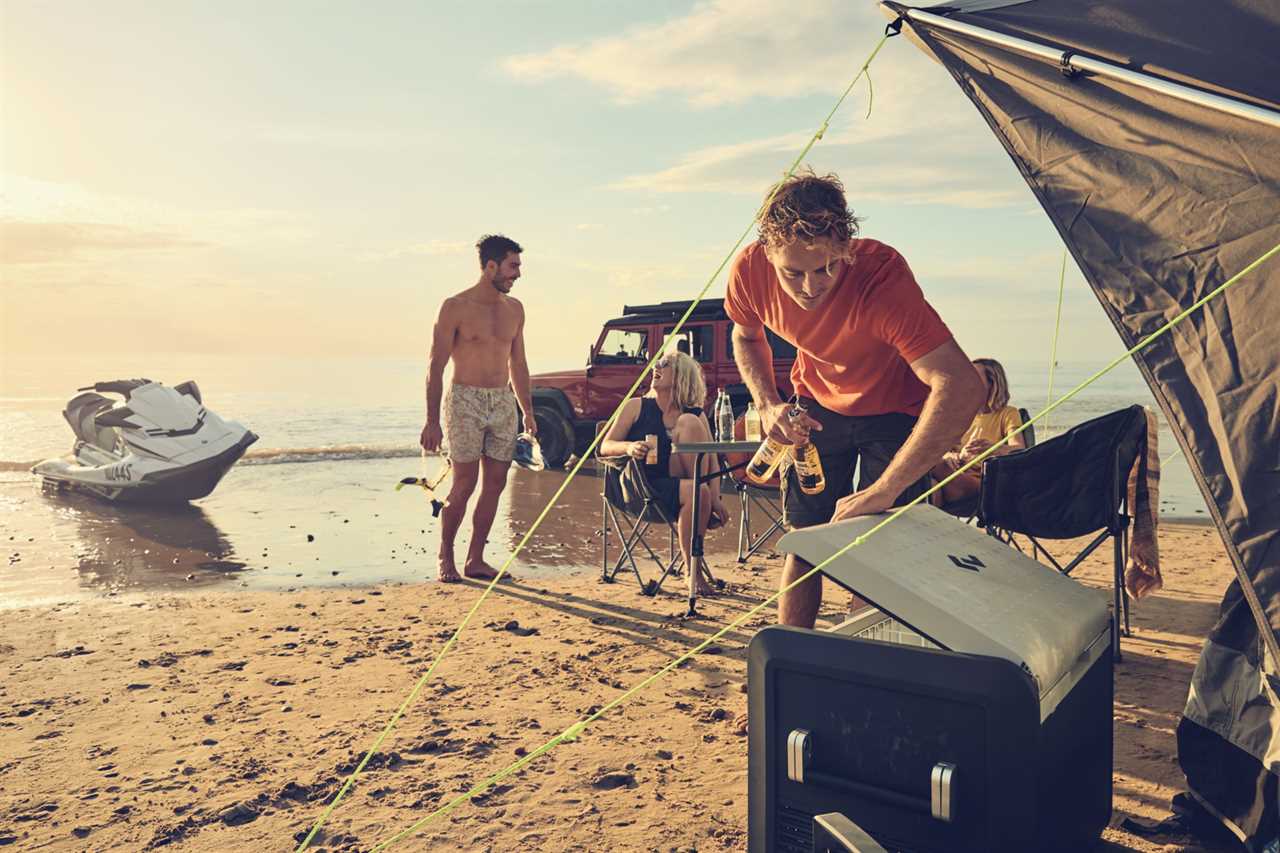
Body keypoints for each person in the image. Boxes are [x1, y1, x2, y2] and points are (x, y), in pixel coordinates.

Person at [726, 170, 985, 631]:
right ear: (767, 253)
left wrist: (882, 491)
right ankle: (793, 655)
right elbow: (745, 337)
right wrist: (766, 403)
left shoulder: (882, 281)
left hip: (895, 410)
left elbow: (962, 385)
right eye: (794, 273)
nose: (810, 287)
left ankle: (863, 665)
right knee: (806, 541)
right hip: (817, 406)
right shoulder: (749, 271)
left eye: (826, 267)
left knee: (879, 545)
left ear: (845, 246)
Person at [420, 234, 536, 583]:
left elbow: (519, 364)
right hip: (464, 400)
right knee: (464, 483)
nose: (518, 273)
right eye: (512, 265)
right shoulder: (454, 306)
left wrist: (527, 411)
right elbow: (435, 366)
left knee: (496, 483)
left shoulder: (515, 310)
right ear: (490, 266)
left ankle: (476, 559)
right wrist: (431, 422)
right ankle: (446, 555)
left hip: (502, 401)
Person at [600, 350, 730, 595]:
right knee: (698, 490)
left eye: (664, 364)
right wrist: (629, 447)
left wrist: (715, 498)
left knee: (690, 425)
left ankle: (694, 565)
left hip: (682, 488)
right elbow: (605, 447)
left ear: (681, 375)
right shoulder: (636, 406)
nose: (654, 367)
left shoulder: (695, 414)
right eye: (655, 363)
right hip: (641, 487)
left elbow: (710, 459)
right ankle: (693, 569)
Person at [930, 358, 1026, 506]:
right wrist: (952, 456)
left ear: (992, 384)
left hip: (982, 482)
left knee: (930, 464)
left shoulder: (1008, 414)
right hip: (953, 476)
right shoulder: (959, 415)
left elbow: (1020, 449)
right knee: (931, 486)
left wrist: (993, 449)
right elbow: (944, 450)